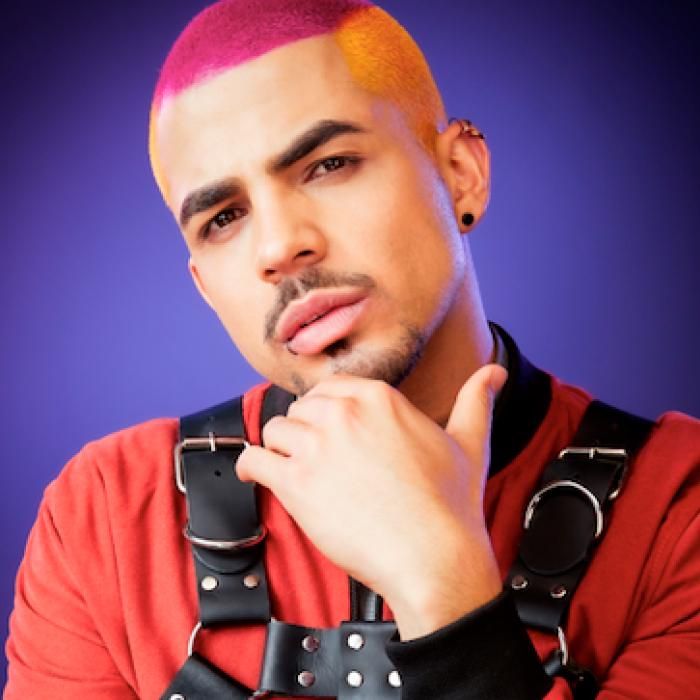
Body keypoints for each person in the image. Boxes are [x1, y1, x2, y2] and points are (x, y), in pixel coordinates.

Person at [4, 1, 699, 698]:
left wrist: (441, 581)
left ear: (461, 173)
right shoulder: (106, 517)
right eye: (224, 218)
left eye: (328, 164)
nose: (280, 247)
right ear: (205, 287)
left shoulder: (679, 506)